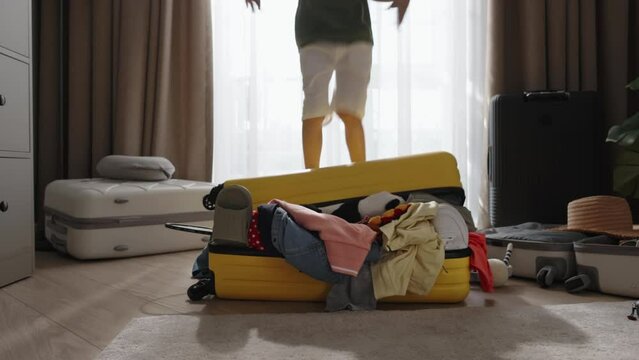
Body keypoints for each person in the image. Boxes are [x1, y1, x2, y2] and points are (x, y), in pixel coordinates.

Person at [245, 0, 410, 169]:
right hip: (315, 33)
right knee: (314, 112)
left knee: (350, 112)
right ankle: (311, 178)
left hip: (355, 33)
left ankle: (362, 178)